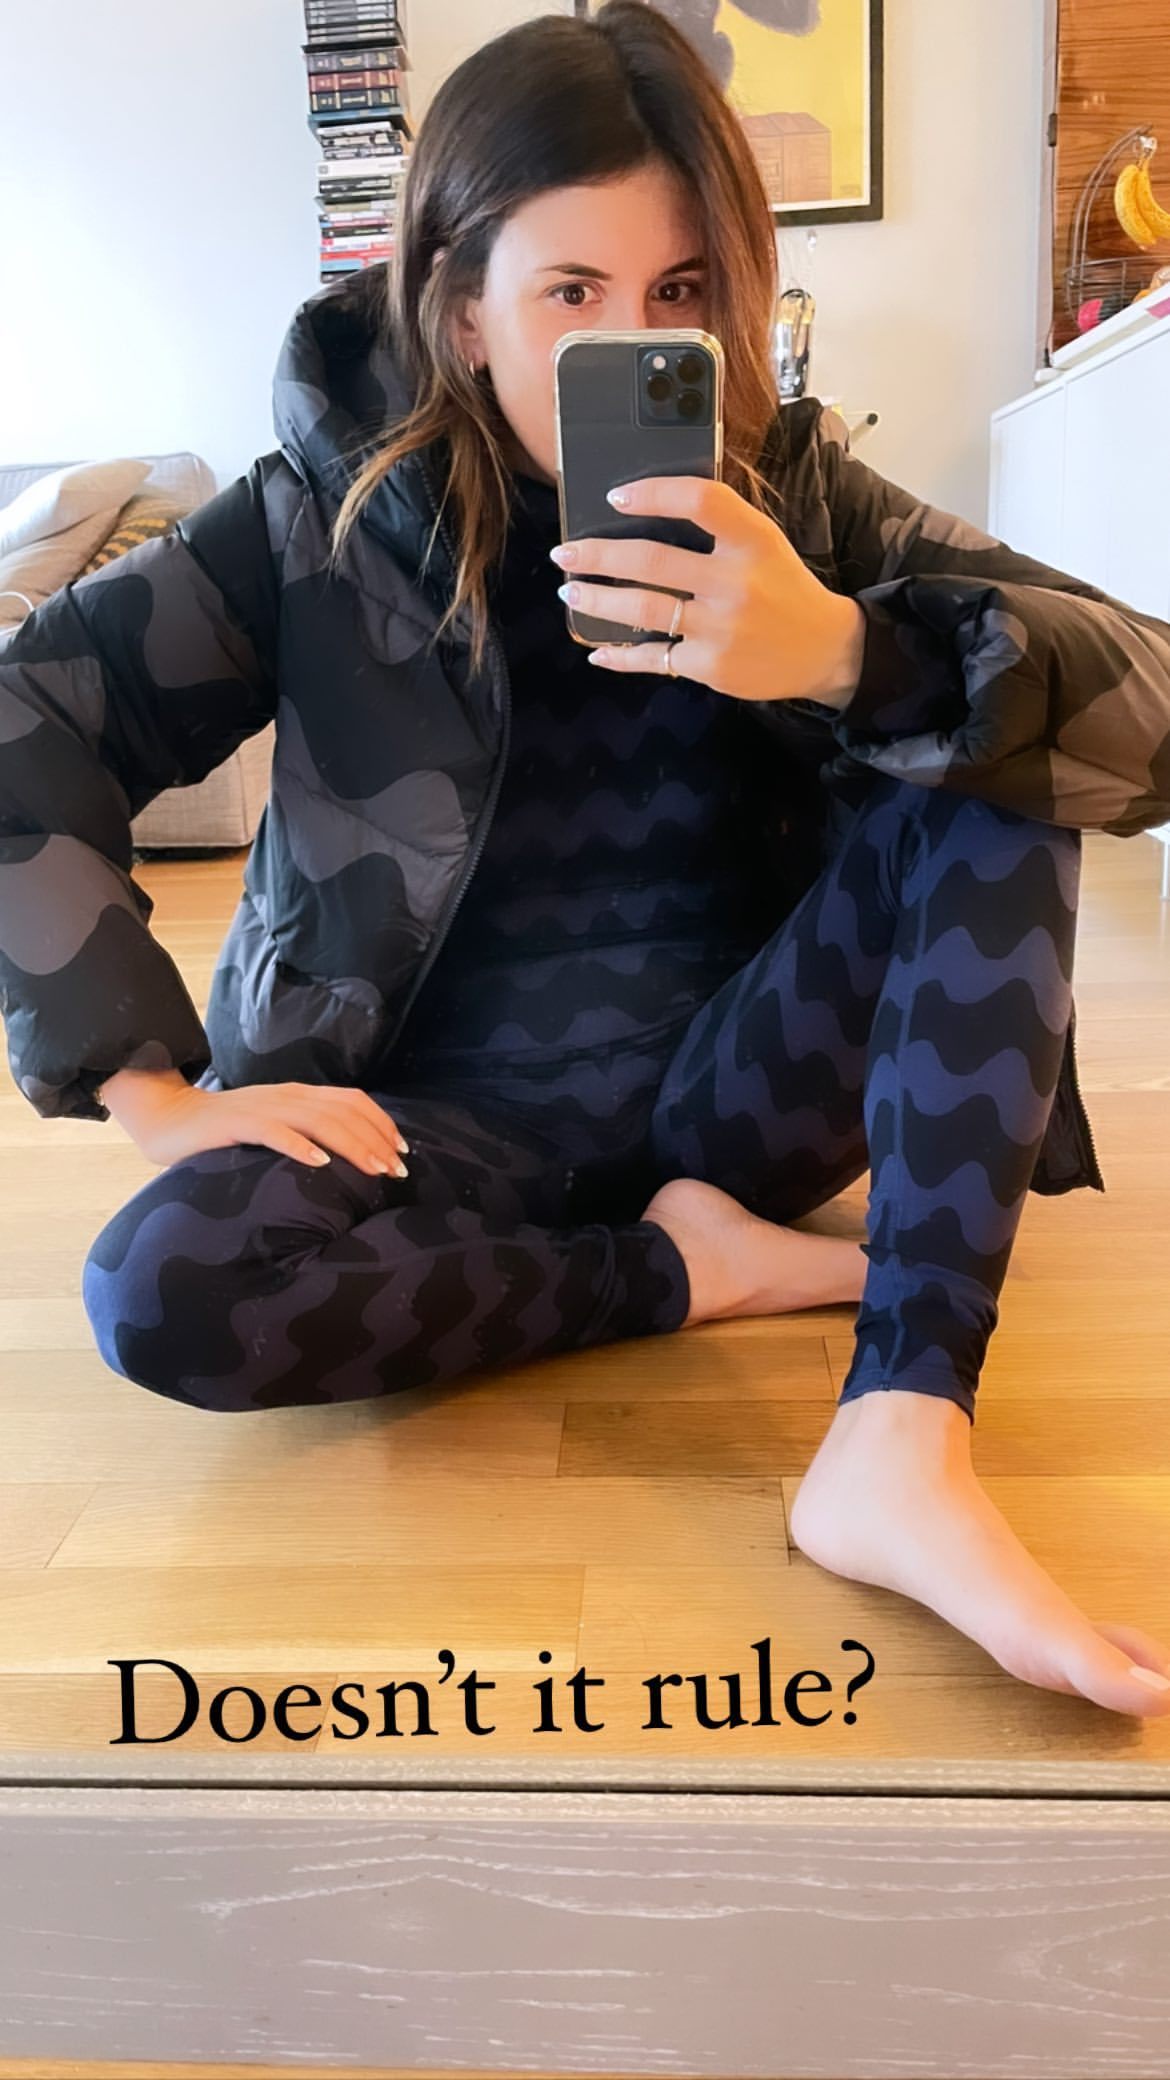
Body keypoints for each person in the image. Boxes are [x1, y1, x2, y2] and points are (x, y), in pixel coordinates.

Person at [2, 2, 1169, 1718]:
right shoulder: (309, 525)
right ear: (460, 303)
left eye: (679, 292)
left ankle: (902, 1435)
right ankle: (694, 1269)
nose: (633, 342)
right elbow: (24, 716)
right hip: (417, 1116)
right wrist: (149, 1090)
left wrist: (849, 652)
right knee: (165, 1290)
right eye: (571, 292)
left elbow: (1139, 704)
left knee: (990, 730)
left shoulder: (801, 507)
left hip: (737, 1093)